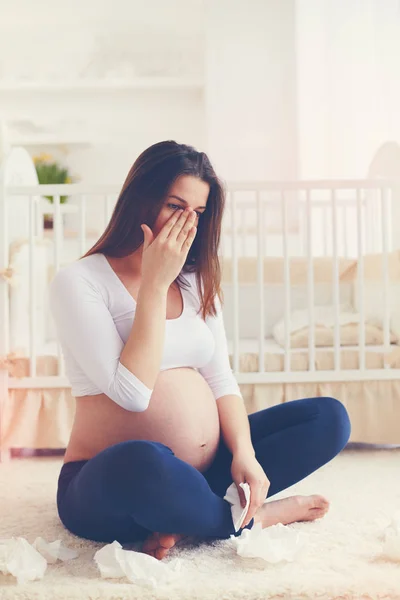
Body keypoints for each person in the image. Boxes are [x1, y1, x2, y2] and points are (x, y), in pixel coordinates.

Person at [50, 140, 351, 561]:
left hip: (203, 475)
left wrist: (243, 454)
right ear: (141, 199)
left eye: (198, 212)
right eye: (175, 206)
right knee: (145, 461)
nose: (186, 223)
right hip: (112, 482)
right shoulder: (79, 281)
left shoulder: (194, 281)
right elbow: (132, 394)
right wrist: (154, 284)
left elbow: (220, 378)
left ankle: (198, 513)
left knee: (329, 418)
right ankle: (251, 518)